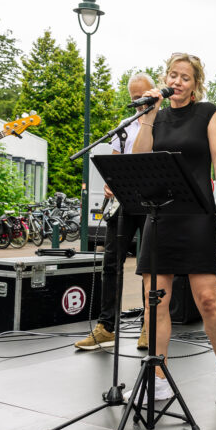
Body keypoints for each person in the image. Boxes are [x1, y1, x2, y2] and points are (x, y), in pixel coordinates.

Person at [131, 53, 216, 405]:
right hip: (160, 215)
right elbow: (139, 158)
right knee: (156, 303)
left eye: (185, 77)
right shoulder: (156, 117)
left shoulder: (207, 112)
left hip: (196, 214)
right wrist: (148, 116)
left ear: (195, 85)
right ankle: (158, 374)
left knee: (208, 299)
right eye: (172, 75)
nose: (177, 82)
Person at [74, 73, 154, 352]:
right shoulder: (124, 126)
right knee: (111, 262)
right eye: (134, 98)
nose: (139, 103)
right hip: (126, 200)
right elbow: (116, 163)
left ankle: (150, 325)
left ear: (154, 93)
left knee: (151, 267)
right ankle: (107, 326)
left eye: (143, 97)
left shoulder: (164, 122)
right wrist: (111, 183)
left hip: (154, 201)